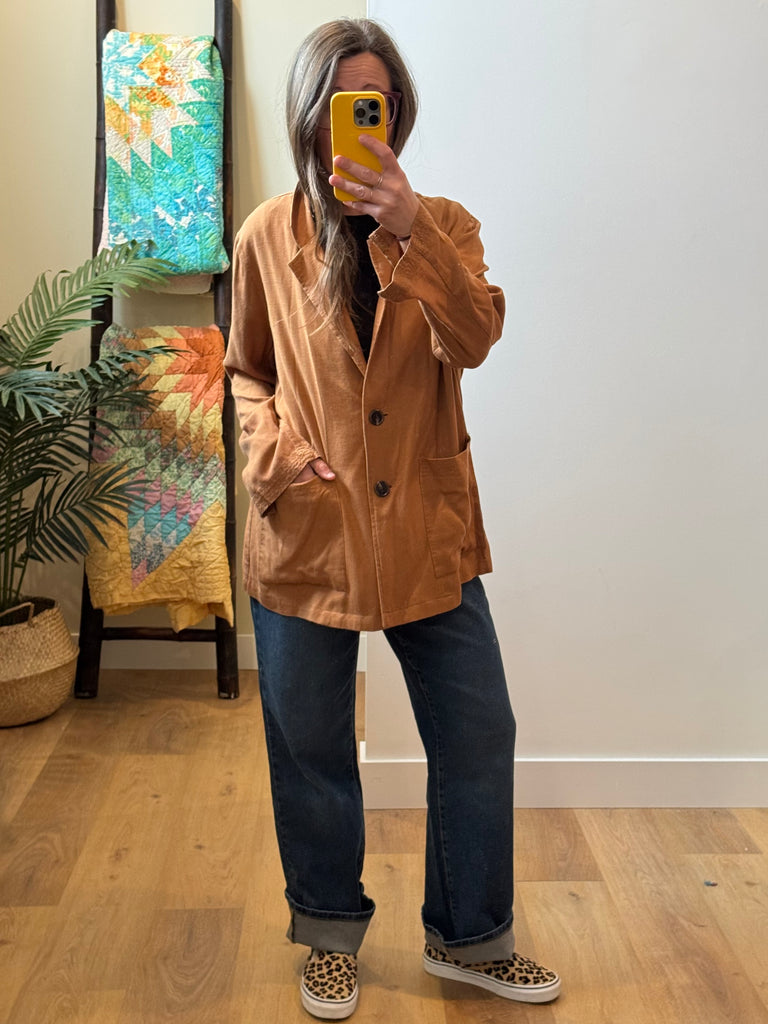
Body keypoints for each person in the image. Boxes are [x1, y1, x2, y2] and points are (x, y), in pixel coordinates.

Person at [224, 17, 561, 1020]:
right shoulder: (265, 235)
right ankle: (329, 936)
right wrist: (280, 455)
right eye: (341, 106)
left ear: (399, 114)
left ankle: (471, 938)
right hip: (309, 526)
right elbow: (245, 373)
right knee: (311, 744)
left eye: (376, 104)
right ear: (308, 116)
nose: (359, 122)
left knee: (478, 730)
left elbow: (477, 336)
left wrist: (412, 230)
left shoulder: (445, 224)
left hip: (424, 519)